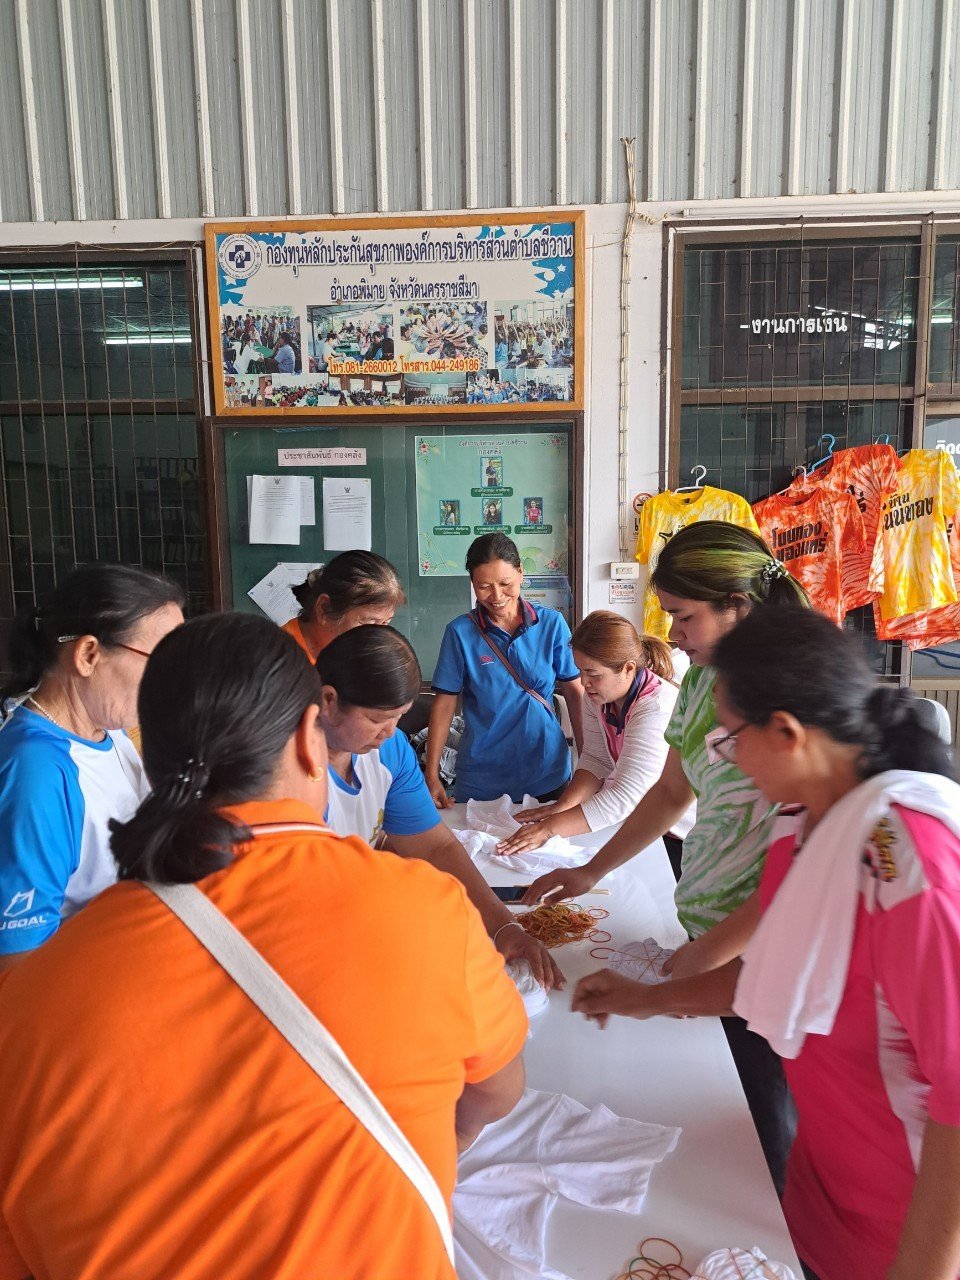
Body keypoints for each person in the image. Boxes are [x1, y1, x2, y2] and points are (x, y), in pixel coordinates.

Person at [0, 613, 525, 1280]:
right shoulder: (425, 912)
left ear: (151, 759)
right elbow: (498, 1090)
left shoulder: (36, 995)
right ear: (312, 738)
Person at [572, 608, 960, 1280]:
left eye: (727, 739)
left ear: (784, 733)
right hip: (818, 1197)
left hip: (900, 1234)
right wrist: (648, 999)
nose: (724, 758)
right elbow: (775, 970)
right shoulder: (801, 823)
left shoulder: (910, 873)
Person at [524, 521, 810, 1195]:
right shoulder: (712, 682)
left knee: (762, 1126)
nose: (674, 636)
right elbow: (672, 790)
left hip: (759, 946)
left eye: (684, 616)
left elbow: (795, 871)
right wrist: (592, 869)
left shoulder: (789, 697)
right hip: (709, 930)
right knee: (716, 1098)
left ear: (738, 606)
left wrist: (706, 961)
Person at [317, 625, 563, 989]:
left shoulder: (390, 750)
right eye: (375, 719)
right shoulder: (285, 773)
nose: (389, 732)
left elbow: (434, 845)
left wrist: (503, 927)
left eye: (398, 717)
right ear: (328, 700)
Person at [0, 563, 184, 968]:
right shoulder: (38, 772)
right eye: (161, 660)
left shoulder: (110, 730)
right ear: (88, 655)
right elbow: (18, 963)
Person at [496, 612, 695, 857]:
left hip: (681, 832)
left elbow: (626, 795)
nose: (584, 681)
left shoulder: (655, 707)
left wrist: (548, 829)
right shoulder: (599, 697)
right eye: (580, 671)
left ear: (628, 669)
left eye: (593, 674)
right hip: (644, 821)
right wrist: (562, 807)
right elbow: (596, 759)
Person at [426, 533, 584, 807]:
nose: (497, 596)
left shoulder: (551, 624)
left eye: (505, 583)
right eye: (484, 586)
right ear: (473, 583)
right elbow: (444, 704)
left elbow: (575, 692)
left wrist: (587, 761)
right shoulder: (460, 633)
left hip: (546, 772)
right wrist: (431, 773)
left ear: (521, 573)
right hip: (482, 778)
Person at [282, 550, 405, 662]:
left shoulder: (354, 656)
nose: (377, 638)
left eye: (385, 623)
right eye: (369, 624)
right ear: (324, 608)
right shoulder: (280, 660)